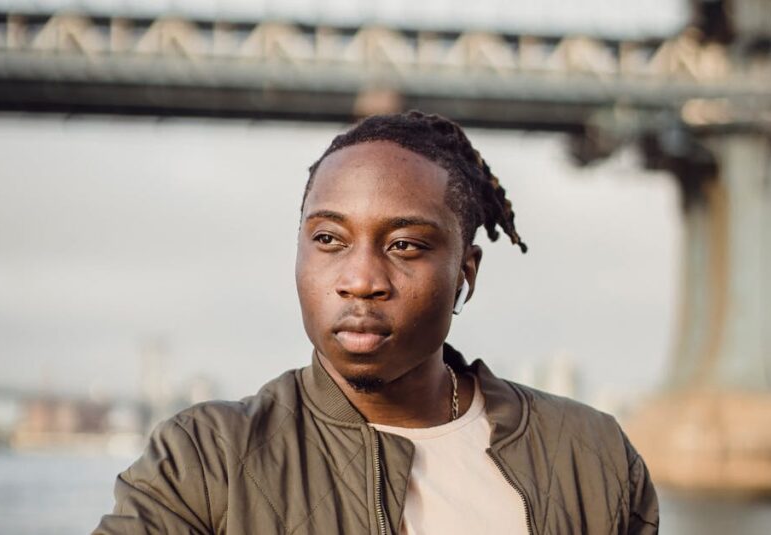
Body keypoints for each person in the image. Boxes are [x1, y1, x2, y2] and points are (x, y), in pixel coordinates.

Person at [93, 111, 659, 535]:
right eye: (329, 240)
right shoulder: (204, 458)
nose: (361, 279)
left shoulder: (592, 455)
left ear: (466, 272)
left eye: (405, 245)